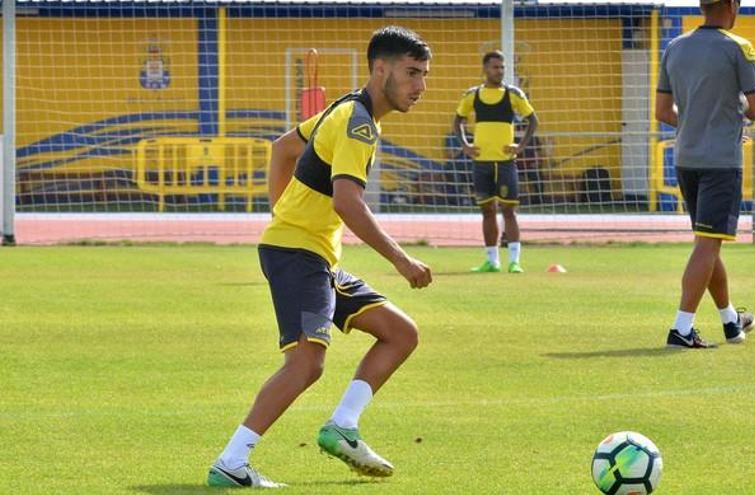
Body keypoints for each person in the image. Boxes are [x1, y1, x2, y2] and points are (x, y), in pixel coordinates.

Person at [207, 26, 432, 488]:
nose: (420, 86)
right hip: (299, 255)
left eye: (424, 75)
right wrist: (402, 261)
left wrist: (281, 212)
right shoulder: (359, 122)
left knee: (399, 333)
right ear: (380, 68)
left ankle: (343, 427)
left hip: (313, 255)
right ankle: (232, 462)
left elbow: (283, 147)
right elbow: (347, 202)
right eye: (412, 73)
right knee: (307, 363)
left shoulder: (347, 108)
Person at [655, 0, 755, 349]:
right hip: (721, 161)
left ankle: (731, 322)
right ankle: (681, 328)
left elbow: (662, 110)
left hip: (686, 158)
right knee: (708, 243)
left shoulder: (675, 46)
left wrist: (696, 122)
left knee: (708, 242)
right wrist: (732, 115)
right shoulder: (739, 48)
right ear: (733, 5)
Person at [453, 50, 539, 274]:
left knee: (509, 210)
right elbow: (458, 120)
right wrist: (465, 145)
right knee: (487, 210)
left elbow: (533, 120)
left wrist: (520, 146)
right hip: (481, 162)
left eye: (502, 67)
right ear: (485, 69)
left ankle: (514, 261)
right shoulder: (473, 95)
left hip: (505, 162)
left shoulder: (513, 94)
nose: (499, 71)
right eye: (495, 67)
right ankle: (492, 261)